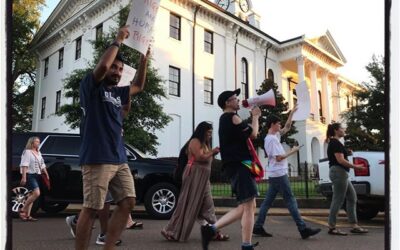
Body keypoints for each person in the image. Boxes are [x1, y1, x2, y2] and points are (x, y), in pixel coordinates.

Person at [75, 25, 150, 250]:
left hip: (119, 157)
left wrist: (143, 61)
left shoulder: (118, 93)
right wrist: (118, 40)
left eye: (120, 69)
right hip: (97, 157)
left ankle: (108, 246)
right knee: (92, 208)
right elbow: (103, 66)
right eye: (114, 68)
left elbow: (138, 85)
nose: (116, 71)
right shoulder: (91, 87)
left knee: (128, 201)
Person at [200, 89, 261, 250]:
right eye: (235, 98)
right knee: (248, 207)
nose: (238, 100)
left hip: (237, 165)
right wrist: (255, 116)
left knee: (247, 206)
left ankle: (212, 230)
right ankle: (245, 245)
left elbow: (247, 134)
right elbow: (254, 134)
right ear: (227, 103)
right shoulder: (232, 117)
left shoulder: (226, 119)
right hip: (240, 165)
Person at [253, 108, 321, 239]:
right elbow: (279, 157)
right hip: (279, 174)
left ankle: (258, 226)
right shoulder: (271, 140)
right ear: (272, 124)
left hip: (275, 174)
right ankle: (303, 229)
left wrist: (291, 113)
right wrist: (293, 150)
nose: (280, 125)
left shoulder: (275, 136)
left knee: (267, 202)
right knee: (290, 200)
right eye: (278, 123)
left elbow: (287, 127)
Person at [161, 122, 229, 242]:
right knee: (186, 203)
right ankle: (170, 230)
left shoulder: (205, 143)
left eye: (211, 133)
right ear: (202, 132)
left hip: (203, 179)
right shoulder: (195, 141)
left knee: (208, 206)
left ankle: (214, 231)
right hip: (194, 176)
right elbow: (199, 157)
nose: (210, 135)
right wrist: (213, 152)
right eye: (208, 133)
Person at [326, 123, 369, 235]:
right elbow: (340, 160)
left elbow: (340, 157)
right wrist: (356, 166)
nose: (344, 130)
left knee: (352, 197)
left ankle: (354, 225)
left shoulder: (336, 143)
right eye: (342, 128)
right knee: (338, 199)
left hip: (341, 173)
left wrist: (347, 153)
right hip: (339, 172)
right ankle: (332, 227)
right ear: (336, 130)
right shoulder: (335, 143)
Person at [65, 192, 143, 245]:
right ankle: (103, 235)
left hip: (117, 167)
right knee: (102, 198)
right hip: (99, 168)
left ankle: (127, 219)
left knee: (127, 195)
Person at [18, 136, 50, 221]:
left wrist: (46, 173)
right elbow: (24, 165)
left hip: (37, 175)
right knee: (36, 193)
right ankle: (23, 209)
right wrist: (24, 177)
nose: (38, 143)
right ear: (31, 143)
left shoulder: (38, 152)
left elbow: (42, 164)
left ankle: (27, 216)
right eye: (36, 142)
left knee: (31, 195)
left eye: (39, 142)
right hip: (30, 175)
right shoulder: (27, 152)